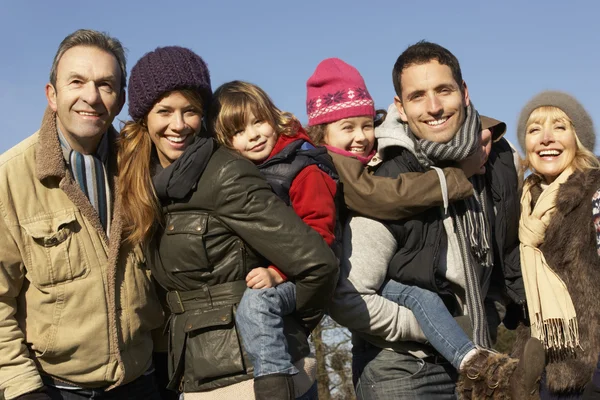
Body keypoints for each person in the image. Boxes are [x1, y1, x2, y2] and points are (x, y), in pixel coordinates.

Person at [117, 46, 338, 400]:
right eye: (165, 111)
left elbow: (318, 264)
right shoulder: (143, 183)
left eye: (190, 111)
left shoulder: (224, 172)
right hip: (193, 378)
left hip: (258, 381)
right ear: (144, 117)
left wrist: (286, 327)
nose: (178, 124)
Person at [329, 41, 543, 399]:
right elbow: (349, 297)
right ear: (399, 106)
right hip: (403, 366)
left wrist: (493, 315)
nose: (433, 107)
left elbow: (506, 254)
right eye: (417, 96)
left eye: (443, 90)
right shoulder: (386, 173)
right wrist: (436, 329)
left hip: (481, 355)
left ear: (464, 92)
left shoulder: (499, 158)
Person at [0, 29, 165, 400]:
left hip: (144, 382)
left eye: (105, 85)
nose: (91, 96)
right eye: (77, 81)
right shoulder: (9, 179)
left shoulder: (142, 166)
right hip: (55, 390)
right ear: (52, 94)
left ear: (120, 100)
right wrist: (22, 390)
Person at [208, 80, 338, 399]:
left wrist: (277, 273)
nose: (253, 134)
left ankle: (274, 382)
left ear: (273, 117)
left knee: (258, 302)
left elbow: (320, 234)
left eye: (258, 121)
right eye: (238, 131)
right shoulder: (254, 172)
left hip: (301, 273)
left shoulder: (301, 169)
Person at [512, 91, 600, 399]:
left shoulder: (595, 193)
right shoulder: (521, 207)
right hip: (541, 377)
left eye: (559, 127)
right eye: (535, 129)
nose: (546, 138)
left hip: (589, 377)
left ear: (578, 138)